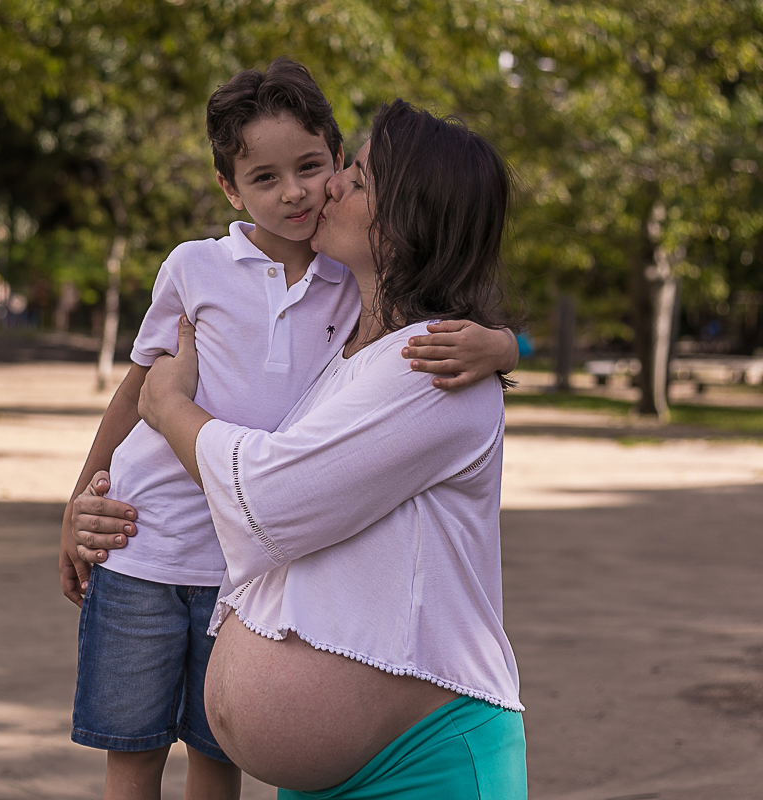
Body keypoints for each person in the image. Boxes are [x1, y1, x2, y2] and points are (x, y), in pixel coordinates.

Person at [62, 63, 521, 800]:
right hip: (316, 753)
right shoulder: (337, 339)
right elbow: (144, 378)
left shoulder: (427, 360)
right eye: (267, 177)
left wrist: (170, 408)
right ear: (231, 188)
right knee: (131, 752)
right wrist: (84, 494)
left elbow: (269, 494)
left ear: (410, 220)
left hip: (414, 768)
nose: (322, 190)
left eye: (350, 177)